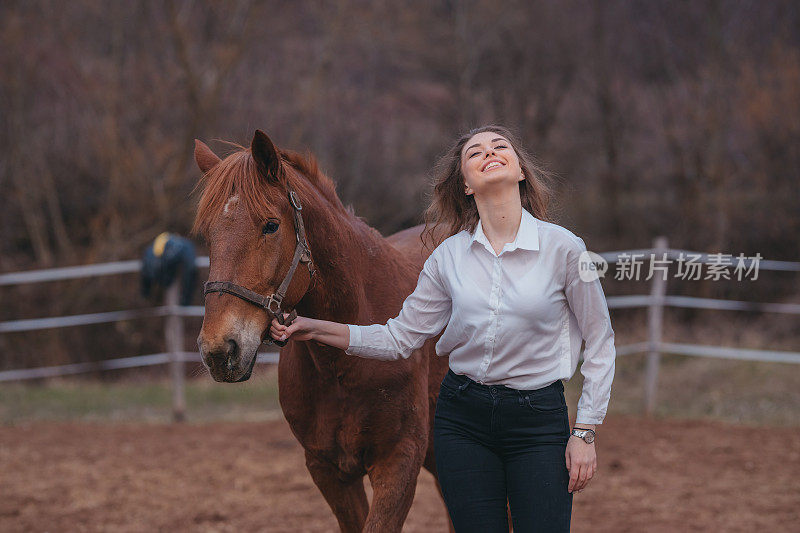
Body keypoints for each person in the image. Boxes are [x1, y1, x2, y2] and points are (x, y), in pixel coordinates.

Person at [269, 125, 616, 532]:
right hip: (463, 420)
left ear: (521, 171)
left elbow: (601, 342)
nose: (490, 152)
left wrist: (586, 432)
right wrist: (317, 328)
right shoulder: (447, 258)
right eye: (475, 153)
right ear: (466, 185)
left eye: (500, 146)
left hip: (537, 419)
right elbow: (400, 337)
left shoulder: (565, 249)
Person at [140, 232, 198, 306]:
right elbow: (190, 269)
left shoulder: (150, 253)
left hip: (162, 269)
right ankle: (184, 301)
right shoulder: (183, 246)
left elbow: (190, 269)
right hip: (165, 269)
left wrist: (145, 292)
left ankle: (184, 301)